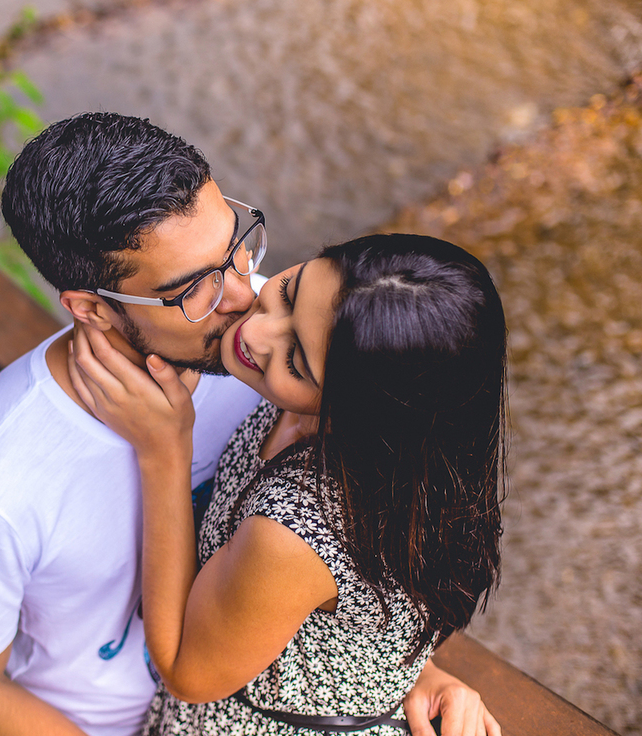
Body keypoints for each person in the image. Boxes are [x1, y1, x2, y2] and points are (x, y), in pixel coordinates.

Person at [0, 113, 495, 736]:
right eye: (195, 287)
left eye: (238, 250)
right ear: (91, 308)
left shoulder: (299, 350)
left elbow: (383, 515)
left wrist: (399, 674)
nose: (247, 300)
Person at [66, 233, 507, 735]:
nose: (255, 333)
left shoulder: (298, 527)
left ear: (363, 412)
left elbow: (188, 673)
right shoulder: (395, 452)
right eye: (289, 292)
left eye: (295, 360)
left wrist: (164, 449)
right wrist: (413, 672)